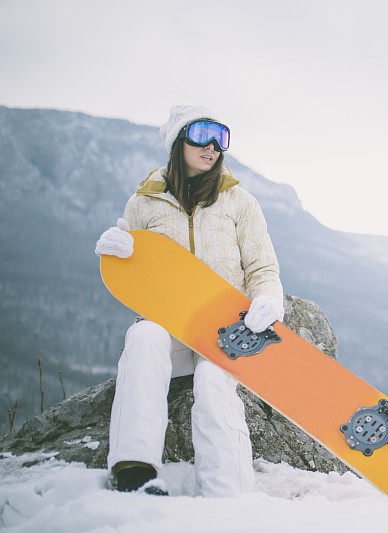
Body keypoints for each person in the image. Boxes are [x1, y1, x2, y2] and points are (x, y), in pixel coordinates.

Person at [94, 105, 284, 496]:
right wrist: (116, 255)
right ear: (178, 141)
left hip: (226, 330)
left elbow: (262, 267)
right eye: (201, 134)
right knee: (143, 337)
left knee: (214, 378)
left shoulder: (240, 202)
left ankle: (225, 491)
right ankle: (133, 466)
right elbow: (133, 266)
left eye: (221, 138)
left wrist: (267, 300)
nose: (212, 146)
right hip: (170, 324)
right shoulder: (144, 202)